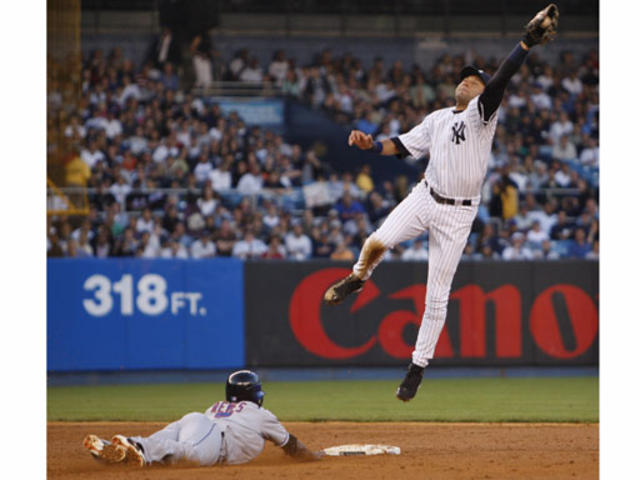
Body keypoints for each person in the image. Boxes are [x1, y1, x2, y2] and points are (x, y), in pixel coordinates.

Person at [322, 5, 558, 402]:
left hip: (458, 213)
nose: (467, 81)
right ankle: (359, 278)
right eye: (464, 77)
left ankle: (417, 367)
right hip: (425, 195)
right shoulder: (437, 118)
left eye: (474, 79)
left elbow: (499, 81)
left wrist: (525, 44)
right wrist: (370, 144)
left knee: (437, 296)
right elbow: (401, 146)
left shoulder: (483, 117)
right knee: (375, 242)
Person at [83, 370, 321, 467]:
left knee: (164, 442)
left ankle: (125, 447)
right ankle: (135, 447)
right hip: (213, 436)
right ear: (254, 394)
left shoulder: (219, 406)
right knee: (189, 452)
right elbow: (290, 444)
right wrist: (313, 457)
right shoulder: (260, 414)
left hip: (196, 422)